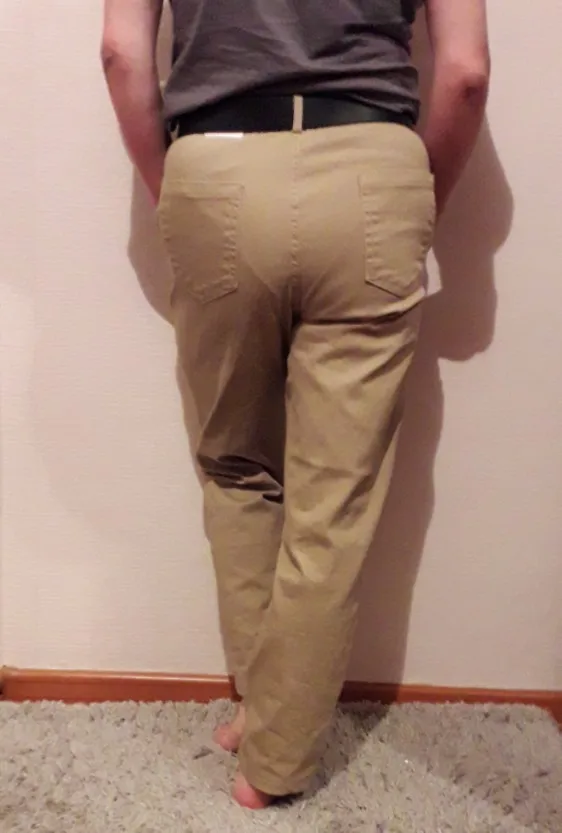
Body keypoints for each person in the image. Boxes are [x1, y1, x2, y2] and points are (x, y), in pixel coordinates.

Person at [102, 0, 490, 810]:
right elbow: (463, 73)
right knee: (333, 498)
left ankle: (263, 710)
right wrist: (414, 204)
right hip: (373, 171)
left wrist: (173, 187)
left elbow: (122, 55)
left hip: (218, 166)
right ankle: (277, 756)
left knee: (235, 466)